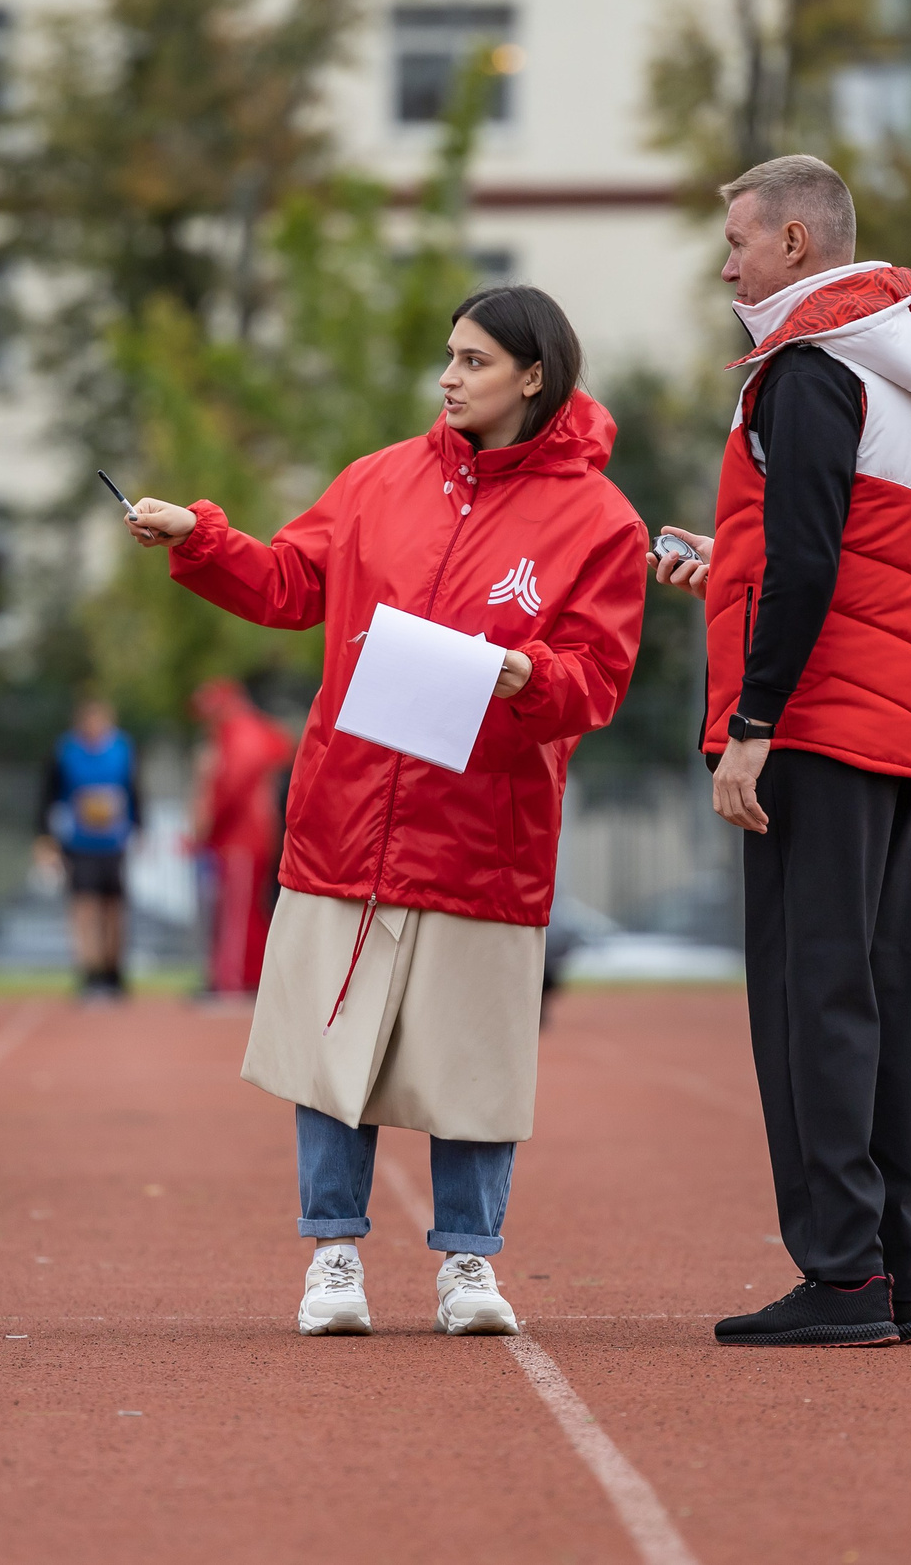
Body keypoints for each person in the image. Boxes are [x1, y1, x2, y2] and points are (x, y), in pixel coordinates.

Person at [126, 285, 645, 1338]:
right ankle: (332, 1255)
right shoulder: (375, 482)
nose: (447, 377)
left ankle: (468, 1263)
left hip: (485, 827)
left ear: (533, 374)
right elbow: (285, 583)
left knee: (472, 1058)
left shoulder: (600, 520)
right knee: (334, 1048)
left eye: (472, 360)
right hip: (347, 815)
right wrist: (201, 535)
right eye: (446, 357)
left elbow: (597, 675)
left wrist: (521, 673)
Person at [650, 156, 911, 1350]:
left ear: (796, 242)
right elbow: (845, 540)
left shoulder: (805, 368)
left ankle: (838, 1273)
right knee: (885, 1002)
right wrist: (725, 557)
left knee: (812, 1000)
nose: (725, 261)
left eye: (738, 239)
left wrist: (750, 727)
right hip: (900, 730)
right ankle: (893, 1274)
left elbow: (808, 563)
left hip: (816, 727)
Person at [190, 679, 293, 1000]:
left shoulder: (240, 734)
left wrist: (206, 826)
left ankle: (233, 979)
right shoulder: (247, 733)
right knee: (245, 910)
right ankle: (244, 975)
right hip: (248, 836)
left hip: (242, 838)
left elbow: (230, 788)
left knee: (237, 912)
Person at [37, 699, 140, 998]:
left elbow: (134, 789)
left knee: (114, 907)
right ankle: (89, 970)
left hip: (114, 842)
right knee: (84, 907)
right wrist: (45, 836)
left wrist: (139, 826)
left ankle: (113, 969)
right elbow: (47, 794)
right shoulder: (65, 751)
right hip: (79, 843)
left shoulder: (122, 749)